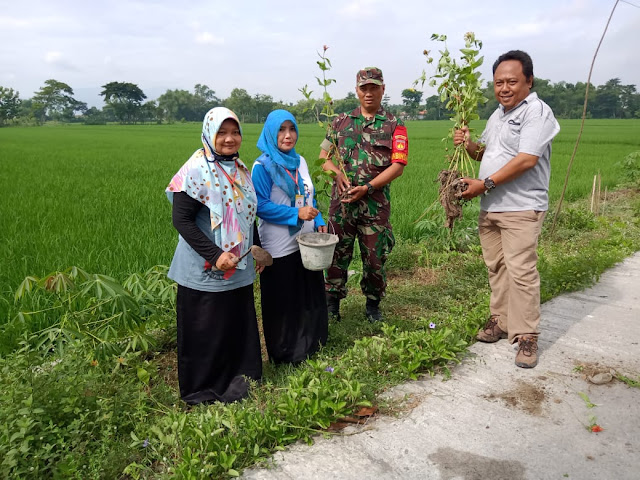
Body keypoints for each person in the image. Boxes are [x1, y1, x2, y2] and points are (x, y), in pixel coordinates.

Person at [453, 50, 560, 368]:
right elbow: (487, 154)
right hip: (491, 207)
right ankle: (500, 321)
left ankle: (527, 336)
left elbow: (527, 159)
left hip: (521, 207)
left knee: (522, 273)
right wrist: (469, 144)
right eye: (499, 82)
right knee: (497, 268)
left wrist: (484, 184)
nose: (504, 88)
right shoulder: (497, 115)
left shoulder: (537, 112)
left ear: (529, 81)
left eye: (512, 81)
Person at [165, 107, 263, 404]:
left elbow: (248, 215)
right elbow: (181, 220)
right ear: (209, 133)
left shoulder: (240, 169)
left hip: (239, 265)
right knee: (207, 328)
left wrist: (256, 249)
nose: (229, 139)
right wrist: (216, 254)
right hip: (204, 268)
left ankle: (240, 381)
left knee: (235, 324)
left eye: (234, 132)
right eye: (222, 132)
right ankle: (203, 390)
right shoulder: (194, 171)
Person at [320, 67, 408, 323]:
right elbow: (323, 158)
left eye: (374, 87)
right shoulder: (339, 121)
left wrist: (368, 188)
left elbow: (398, 166)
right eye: (363, 88)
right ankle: (332, 303)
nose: (368, 93)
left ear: (383, 89)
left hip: (375, 206)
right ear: (356, 90)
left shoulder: (395, 125)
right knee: (337, 253)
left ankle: (373, 304)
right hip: (342, 204)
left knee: (374, 257)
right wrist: (336, 173)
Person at [252, 109, 329, 364]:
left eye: (292, 129)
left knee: (307, 293)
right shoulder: (262, 166)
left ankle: (312, 343)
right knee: (282, 300)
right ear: (271, 134)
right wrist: (296, 213)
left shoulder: (301, 162)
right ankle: (285, 352)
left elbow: (311, 196)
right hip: (278, 246)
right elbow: (260, 205)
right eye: (281, 130)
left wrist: (317, 220)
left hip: (306, 244)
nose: (288, 135)